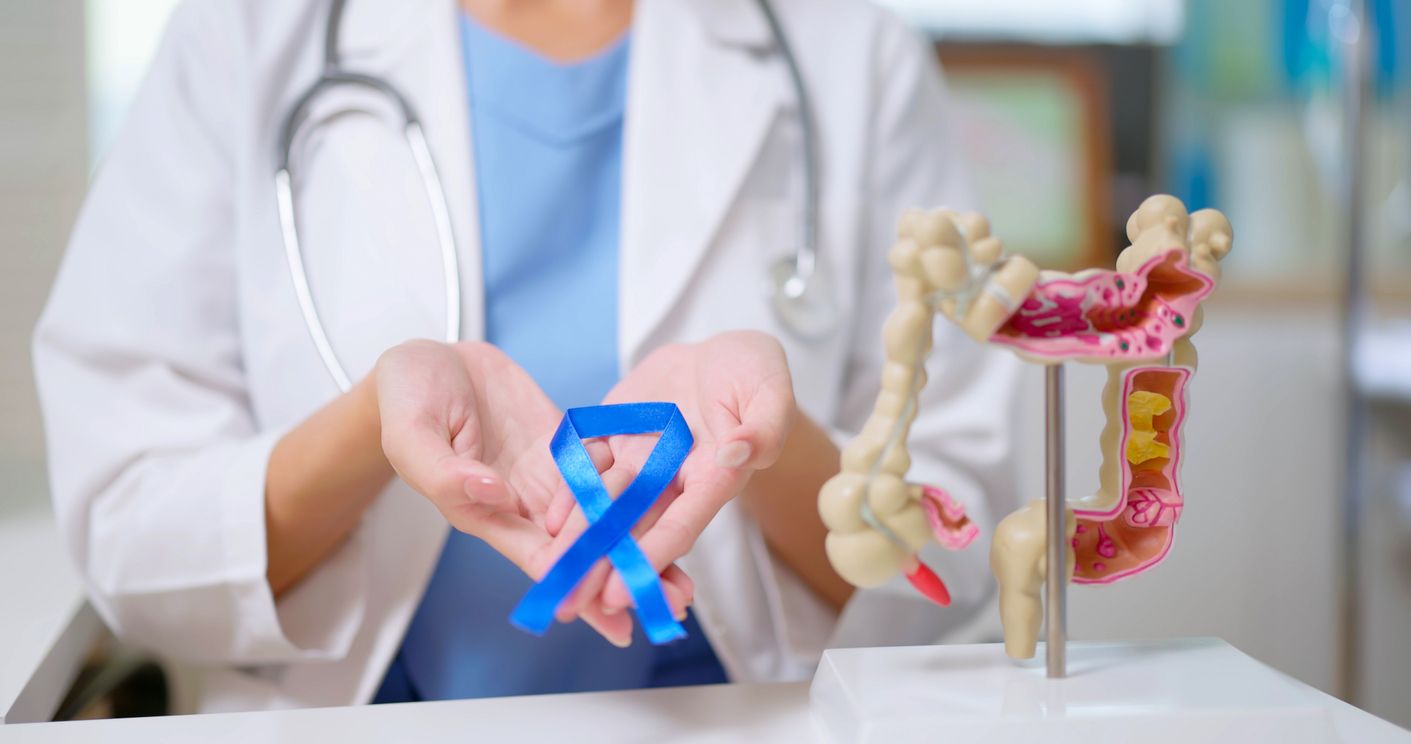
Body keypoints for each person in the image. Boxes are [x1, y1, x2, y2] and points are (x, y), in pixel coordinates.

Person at [33, 0, 1020, 712]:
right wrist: (377, 423)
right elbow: (127, 522)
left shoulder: (852, 52)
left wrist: (767, 443)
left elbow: (959, 547)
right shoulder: (242, 34)